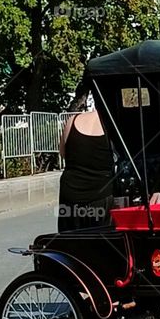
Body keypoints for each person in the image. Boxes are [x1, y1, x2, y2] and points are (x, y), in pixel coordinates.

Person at [58, 94, 114, 231]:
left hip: (70, 195)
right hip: (101, 196)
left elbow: (63, 153)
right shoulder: (113, 125)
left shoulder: (72, 120)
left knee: (71, 244)